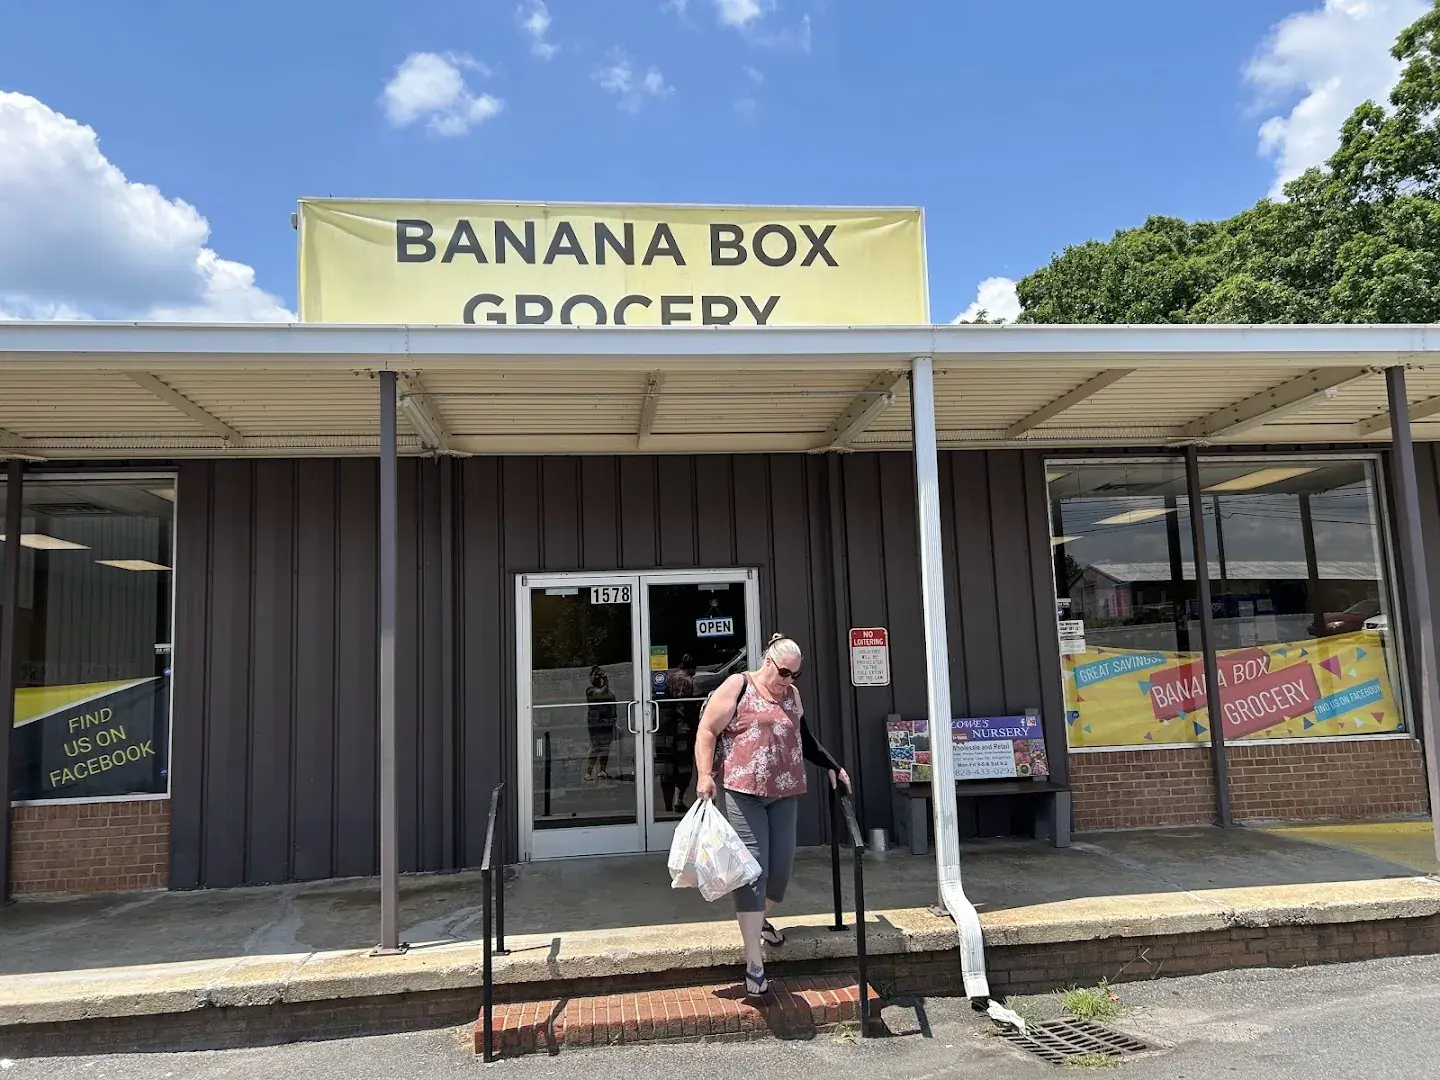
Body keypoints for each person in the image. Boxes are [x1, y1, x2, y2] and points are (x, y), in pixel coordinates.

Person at [693, 633, 850, 997]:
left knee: (779, 873)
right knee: (753, 871)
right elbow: (707, 730)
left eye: (795, 674)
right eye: (783, 672)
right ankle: (754, 963)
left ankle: (759, 920)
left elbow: (803, 737)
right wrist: (704, 775)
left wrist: (832, 765)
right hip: (743, 791)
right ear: (768, 662)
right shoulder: (738, 686)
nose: (788, 680)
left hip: (784, 793)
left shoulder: (792, 695)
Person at [584, 666, 617, 782]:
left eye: (599, 675)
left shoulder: (609, 691)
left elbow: (613, 704)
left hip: (607, 722)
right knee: (596, 747)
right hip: (596, 723)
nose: (598, 678)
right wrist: (606, 680)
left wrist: (614, 720)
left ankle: (602, 771)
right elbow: (601, 693)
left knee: (606, 747)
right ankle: (588, 772)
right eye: (596, 675)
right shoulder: (590, 690)